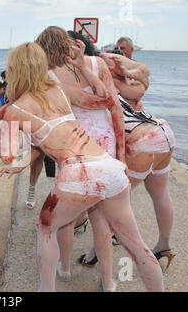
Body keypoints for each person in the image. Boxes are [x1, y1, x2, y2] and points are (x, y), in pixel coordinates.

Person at [0, 42, 163, 292]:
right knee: (136, 246)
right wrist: (84, 68)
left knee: (45, 228)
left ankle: (46, 289)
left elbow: (7, 156)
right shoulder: (60, 90)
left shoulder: (14, 110)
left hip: (78, 173)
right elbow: (105, 100)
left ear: (14, 70)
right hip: (109, 166)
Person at [33, 26, 128, 287]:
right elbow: (115, 109)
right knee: (102, 221)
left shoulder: (47, 75)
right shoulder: (97, 63)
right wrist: (121, 153)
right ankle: (108, 282)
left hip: (74, 151)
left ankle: (63, 269)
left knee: (65, 220)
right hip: (105, 149)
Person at [99, 52, 176, 268]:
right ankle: (164, 245)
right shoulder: (131, 86)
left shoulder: (100, 85)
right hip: (163, 132)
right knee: (161, 195)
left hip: (141, 139)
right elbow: (145, 76)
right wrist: (127, 67)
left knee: (109, 203)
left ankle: (95, 253)